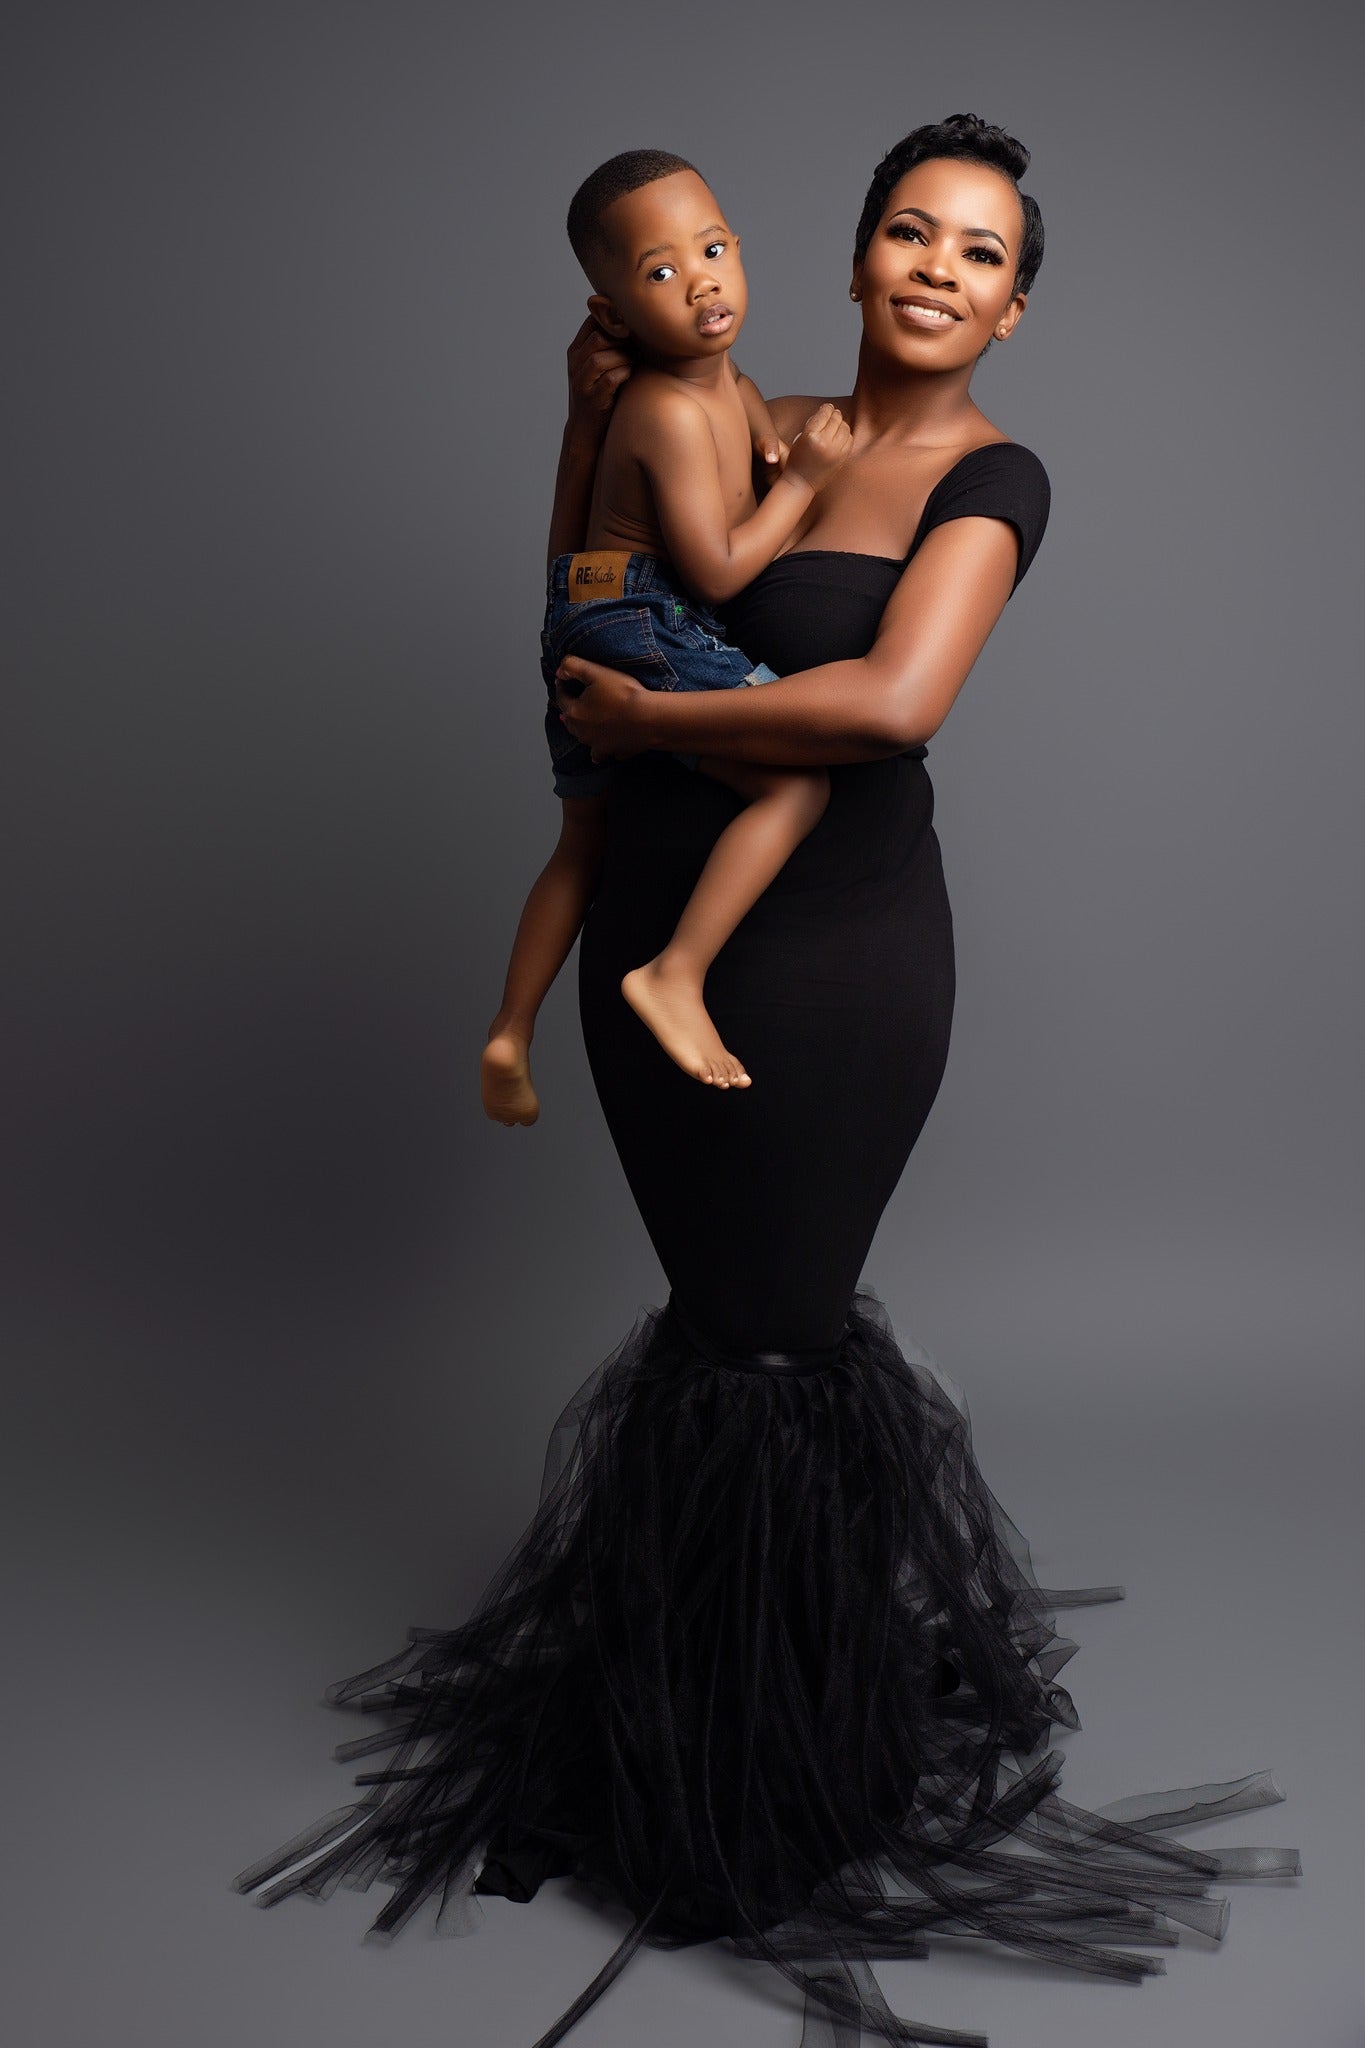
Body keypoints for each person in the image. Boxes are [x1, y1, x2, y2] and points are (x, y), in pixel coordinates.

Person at [233, 116, 1298, 2048]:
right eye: (910, 229)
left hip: (827, 975)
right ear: (860, 249)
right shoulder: (768, 415)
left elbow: (892, 705)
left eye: (979, 254)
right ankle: (688, 1737)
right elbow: (596, 565)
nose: (937, 268)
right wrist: (583, 417)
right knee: (713, 1328)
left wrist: (652, 710)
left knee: (777, 1334)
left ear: (1015, 304)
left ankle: (772, 1781)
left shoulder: (991, 475)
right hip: (653, 939)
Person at [482, 148, 853, 1117]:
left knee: (583, 841)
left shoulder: (727, 386)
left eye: (716, 247)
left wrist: (771, 448)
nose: (702, 281)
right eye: (660, 271)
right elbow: (720, 571)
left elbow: (744, 440)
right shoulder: (667, 409)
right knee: (798, 779)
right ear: (608, 309)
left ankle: (509, 1031)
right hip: (636, 612)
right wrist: (805, 485)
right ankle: (676, 972)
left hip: (585, 604)